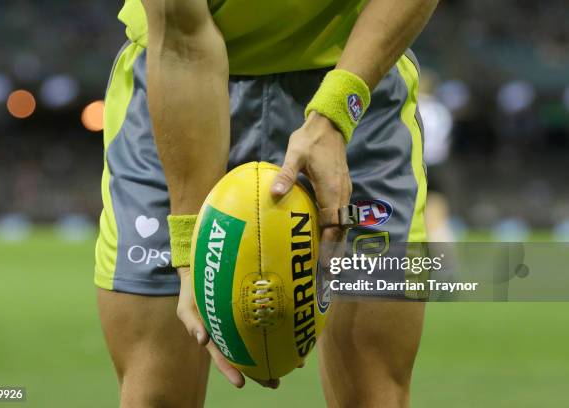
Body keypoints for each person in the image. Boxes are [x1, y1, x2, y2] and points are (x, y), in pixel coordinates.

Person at [95, 0, 438, 406]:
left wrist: (334, 114)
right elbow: (183, 37)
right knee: (156, 394)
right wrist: (189, 244)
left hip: (356, 70)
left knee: (374, 394)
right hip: (176, 80)